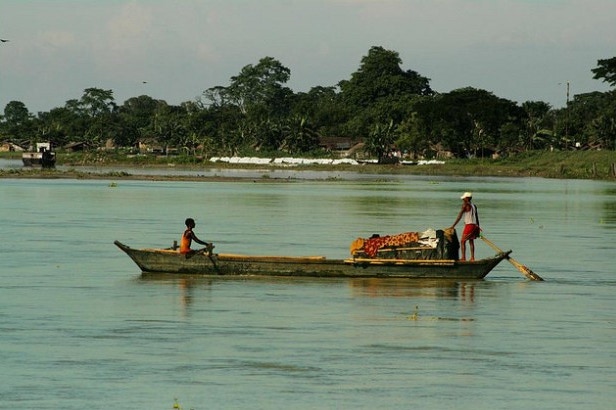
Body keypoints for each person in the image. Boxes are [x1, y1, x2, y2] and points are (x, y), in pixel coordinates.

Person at [450, 192, 480, 261]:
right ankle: (472, 258)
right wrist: (478, 227)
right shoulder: (474, 205)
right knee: (471, 241)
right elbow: (477, 217)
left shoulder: (465, 205)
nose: (463, 199)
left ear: (467, 198)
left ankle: (463, 257)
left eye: (464, 198)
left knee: (462, 241)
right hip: (474, 225)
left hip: (469, 225)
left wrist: (453, 226)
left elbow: (459, 216)